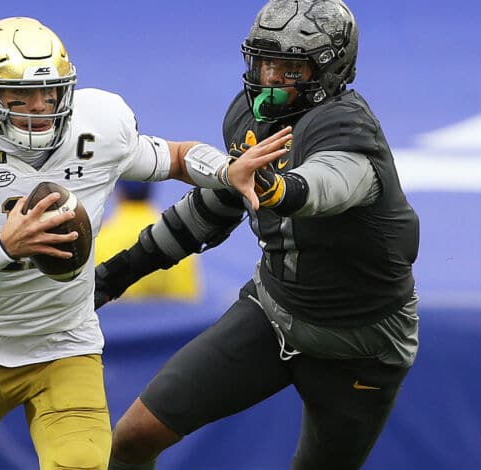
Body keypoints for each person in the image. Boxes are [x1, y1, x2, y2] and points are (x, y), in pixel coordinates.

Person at [0, 16, 291, 469]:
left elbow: (176, 157)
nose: (40, 107)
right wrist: (3, 247)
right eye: (20, 95)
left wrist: (224, 170)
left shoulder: (97, 126)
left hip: (63, 346)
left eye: (50, 92)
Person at [95, 1, 420, 469]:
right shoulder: (250, 119)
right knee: (132, 438)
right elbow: (208, 212)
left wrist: (274, 185)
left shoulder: (347, 128)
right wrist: (116, 275)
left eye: (289, 69)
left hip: (360, 344)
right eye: (265, 62)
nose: (270, 77)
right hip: (273, 314)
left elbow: (323, 186)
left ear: (329, 70)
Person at [94, 181, 200, 302]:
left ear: (119, 192)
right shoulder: (178, 237)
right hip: (170, 313)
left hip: (124, 313)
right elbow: (188, 301)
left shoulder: (101, 239)